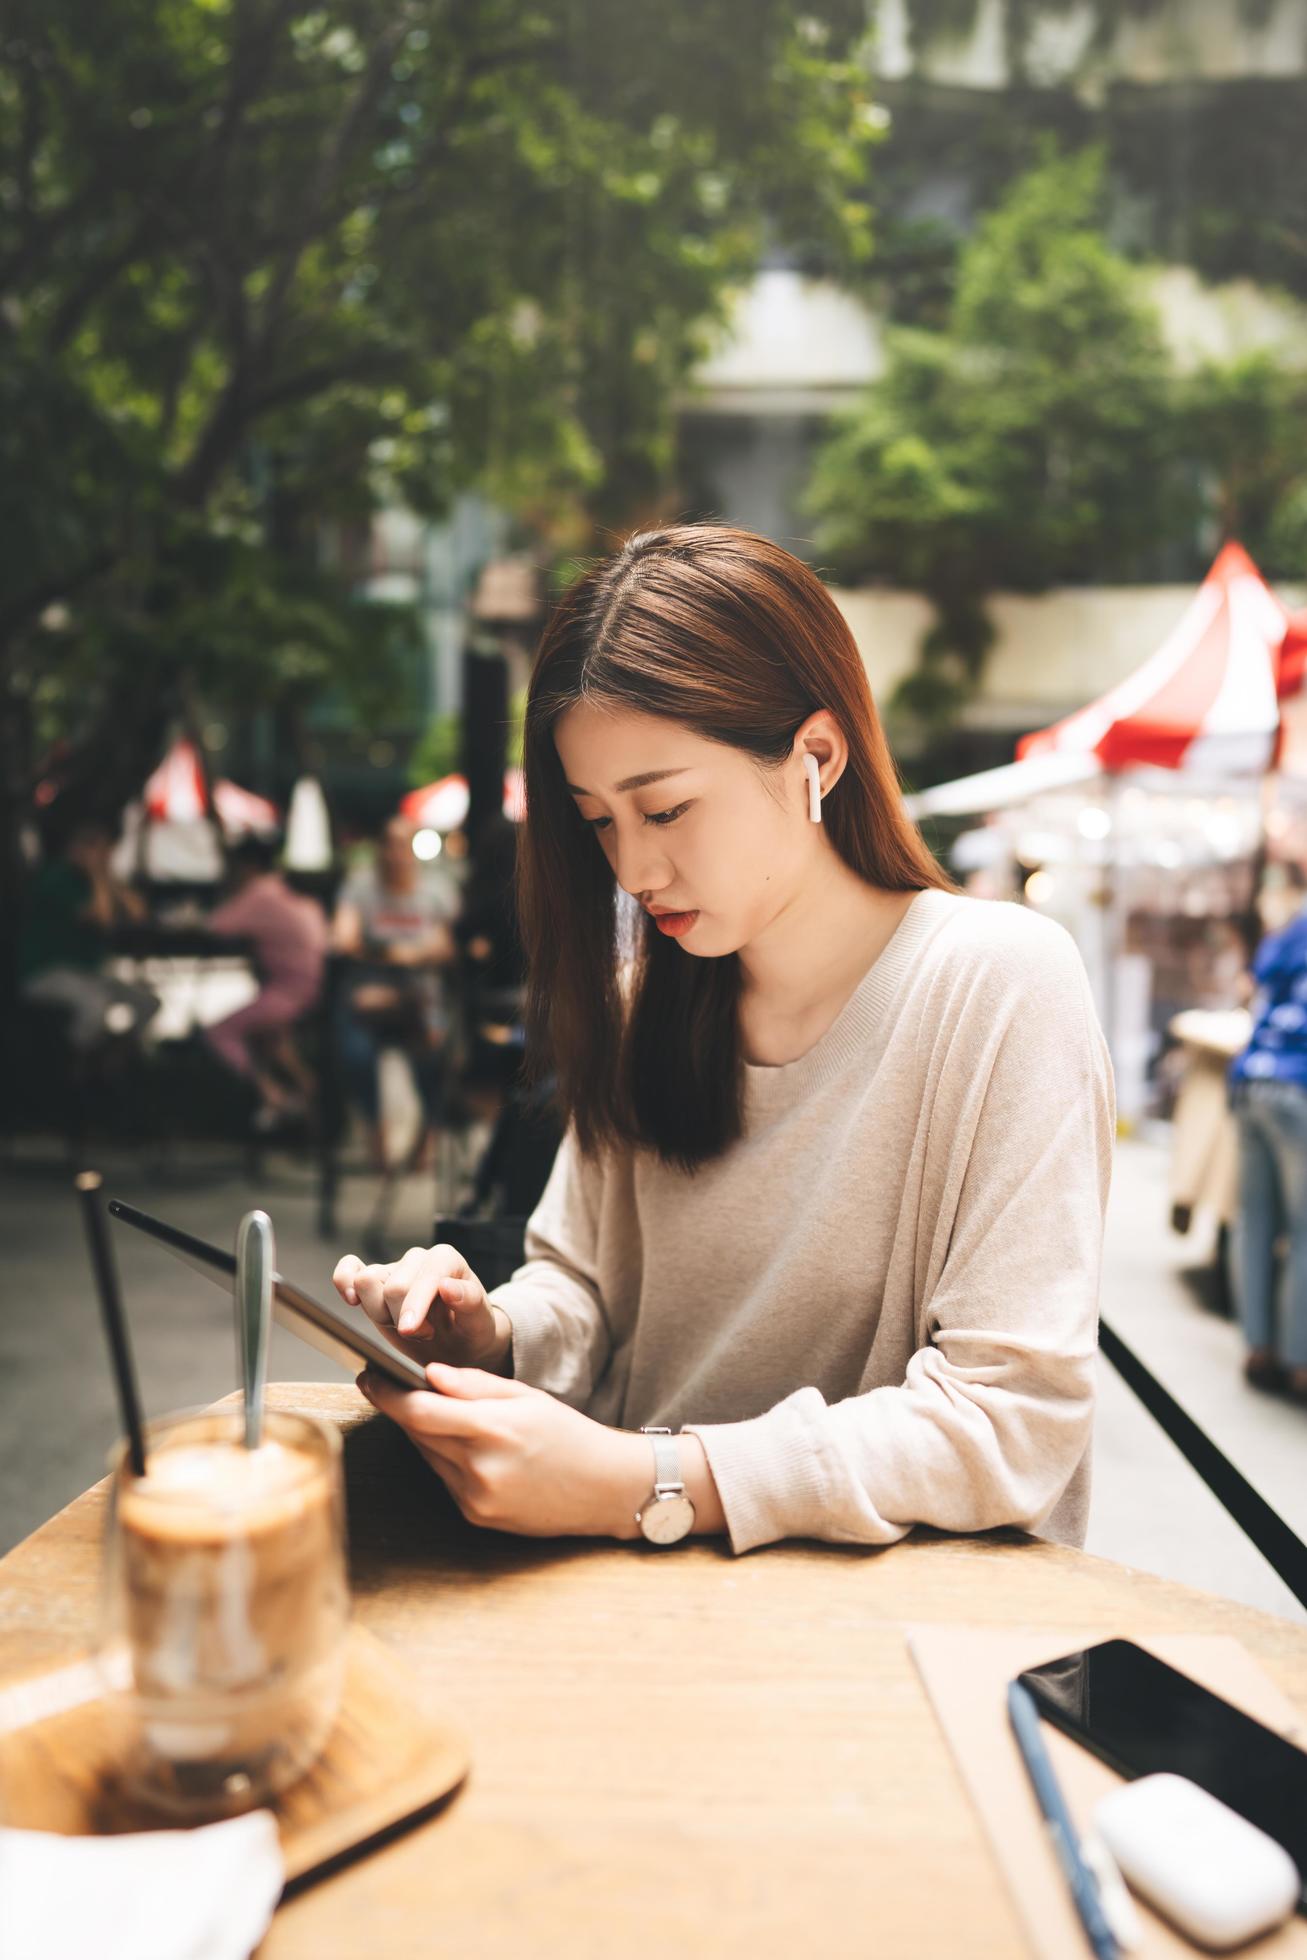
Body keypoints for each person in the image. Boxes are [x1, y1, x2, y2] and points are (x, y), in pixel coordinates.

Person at [332, 524, 1114, 1554]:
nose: (633, 868)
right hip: (627, 1597)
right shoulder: (639, 995)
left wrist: (650, 1479)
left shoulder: (996, 983)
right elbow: (585, 1287)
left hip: (895, 1641)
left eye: (663, 808)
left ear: (815, 758)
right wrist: (491, 1331)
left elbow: (1004, 1419)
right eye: (599, 820)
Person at [330, 814, 460, 1167]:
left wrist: (399, 954)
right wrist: (395, 953)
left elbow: (444, 948)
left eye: (402, 845)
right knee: (355, 1054)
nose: (394, 854)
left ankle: (426, 1137)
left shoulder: (435, 889)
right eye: (388, 844)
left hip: (419, 990)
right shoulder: (361, 886)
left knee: (435, 1055)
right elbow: (344, 938)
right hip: (371, 983)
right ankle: (376, 1132)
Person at [1228, 874, 1307, 1404]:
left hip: (1252, 1078)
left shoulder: (1290, 929)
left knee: (1254, 1222)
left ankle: (1259, 1348)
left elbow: (1250, 988)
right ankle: (1301, 1361)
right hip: (1299, 1084)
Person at [202, 833, 328, 1128]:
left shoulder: (261, 892)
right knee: (272, 1039)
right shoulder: (286, 891)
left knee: (219, 1033)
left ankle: (271, 1096)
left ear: (246, 866)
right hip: (316, 987)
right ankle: (308, 1099)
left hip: (292, 992)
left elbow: (216, 925)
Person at [18, 819, 159, 1051]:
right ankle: (75, 1065)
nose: (106, 857)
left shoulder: (95, 880)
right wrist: (97, 874)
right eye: (101, 851)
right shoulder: (56, 879)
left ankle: (122, 1056)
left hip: (86, 971)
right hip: (46, 971)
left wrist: (106, 875)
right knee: (96, 1004)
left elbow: (138, 913)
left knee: (147, 1002)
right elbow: (101, 918)